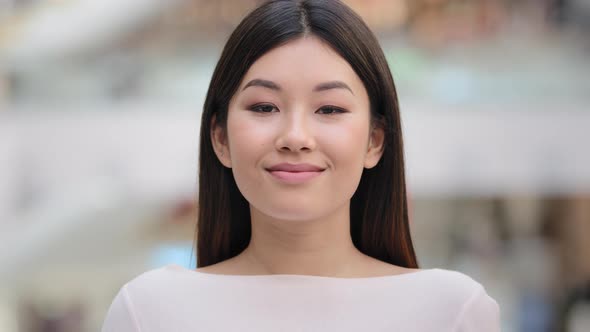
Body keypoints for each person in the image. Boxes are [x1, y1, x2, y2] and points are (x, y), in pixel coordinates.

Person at [101, 0, 500, 331]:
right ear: (220, 138)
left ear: (375, 141)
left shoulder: (452, 311)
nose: (295, 136)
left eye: (329, 108)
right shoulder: (148, 312)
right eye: (264, 107)